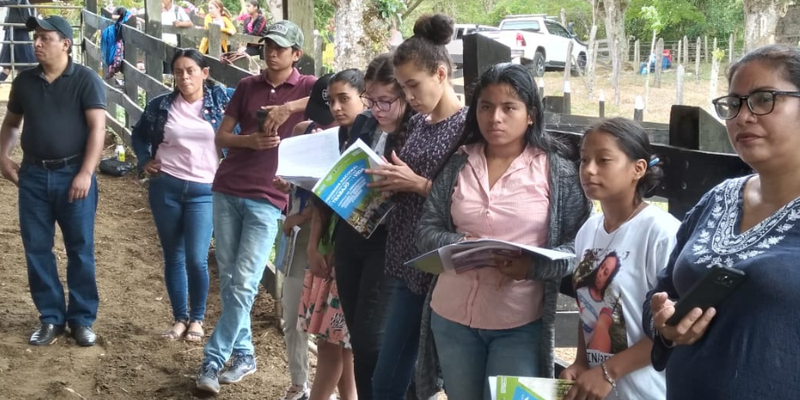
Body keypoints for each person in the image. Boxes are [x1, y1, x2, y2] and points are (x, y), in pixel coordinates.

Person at [414, 63, 591, 400]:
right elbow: (427, 230)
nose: (495, 117)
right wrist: (461, 244)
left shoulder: (559, 172)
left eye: (509, 107)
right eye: (486, 106)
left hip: (521, 321)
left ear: (531, 115)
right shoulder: (458, 162)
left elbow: (581, 248)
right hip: (451, 317)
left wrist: (532, 266)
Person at [646, 44, 800, 399]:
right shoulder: (719, 198)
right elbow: (660, 292)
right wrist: (666, 327)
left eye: (764, 99)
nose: (743, 117)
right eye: (734, 104)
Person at [195, 20, 316, 394]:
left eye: (280, 46)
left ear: (296, 54)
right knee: (232, 279)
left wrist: (286, 108)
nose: (271, 51)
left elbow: (341, 96)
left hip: (269, 196)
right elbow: (222, 135)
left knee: (245, 282)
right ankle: (245, 354)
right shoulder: (247, 85)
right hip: (229, 186)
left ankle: (212, 360)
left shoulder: (309, 87)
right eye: (267, 45)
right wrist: (251, 142)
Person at [366, 14, 467, 400]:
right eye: (403, 87)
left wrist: (418, 184)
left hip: (439, 268)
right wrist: (389, 183)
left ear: (440, 74)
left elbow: (468, 199)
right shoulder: (422, 123)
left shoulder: (465, 128)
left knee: (401, 379)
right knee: (397, 378)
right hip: (406, 260)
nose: (408, 96)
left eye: (413, 85)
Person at [0, 16, 106, 347]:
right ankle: (51, 317)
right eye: (36, 37)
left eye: (46, 37)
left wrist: (86, 173)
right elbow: (12, 123)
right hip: (31, 175)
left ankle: (82, 318)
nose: (37, 43)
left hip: (72, 174)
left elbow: (97, 128)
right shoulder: (25, 81)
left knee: (80, 247)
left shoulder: (86, 80)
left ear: (65, 43)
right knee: (37, 248)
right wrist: (2, 155)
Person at [560, 118, 679, 400]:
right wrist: (580, 362)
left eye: (603, 160)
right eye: (584, 160)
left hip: (649, 391)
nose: (588, 170)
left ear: (638, 168)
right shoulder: (588, 231)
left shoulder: (661, 232)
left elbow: (673, 326)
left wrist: (608, 372)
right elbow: (588, 307)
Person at [326, 53, 414, 400]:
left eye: (385, 101)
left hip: (388, 243)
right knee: (358, 337)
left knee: (372, 338)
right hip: (351, 235)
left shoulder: (415, 131)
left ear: (405, 96)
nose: (376, 109)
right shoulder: (363, 123)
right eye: (370, 99)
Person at [131, 49, 230, 343]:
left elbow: (253, 102)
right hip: (166, 186)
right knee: (173, 254)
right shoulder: (161, 105)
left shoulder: (222, 101)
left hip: (204, 189)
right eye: (178, 72)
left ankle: (198, 319)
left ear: (204, 73)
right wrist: (143, 160)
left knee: (196, 257)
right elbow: (138, 134)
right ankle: (179, 319)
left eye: (190, 70)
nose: (184, 77)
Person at [301, 69, 366, 400]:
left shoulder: (372, 143)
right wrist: (312, 246)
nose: (338, 107)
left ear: (363, 98)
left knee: (332, 348)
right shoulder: (332, 140)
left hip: (352, 260)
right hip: (327, 253)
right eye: (332, 101)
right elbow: (320, 203)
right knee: (339, 349)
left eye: (345, 99)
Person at [278, 73, 335, 400]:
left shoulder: (354, 136)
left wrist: (302, 216)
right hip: (300, 237)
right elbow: (290, 179)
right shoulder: (304, 131)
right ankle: (299, 382)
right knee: (292, 311)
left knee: (335, 328)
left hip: (331, 237)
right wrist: (285, 185)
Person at [0, 0, 35, 81]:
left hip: (18, 29)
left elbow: (15, 2)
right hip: (13, 29)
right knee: (8, 66)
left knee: (24, 65)